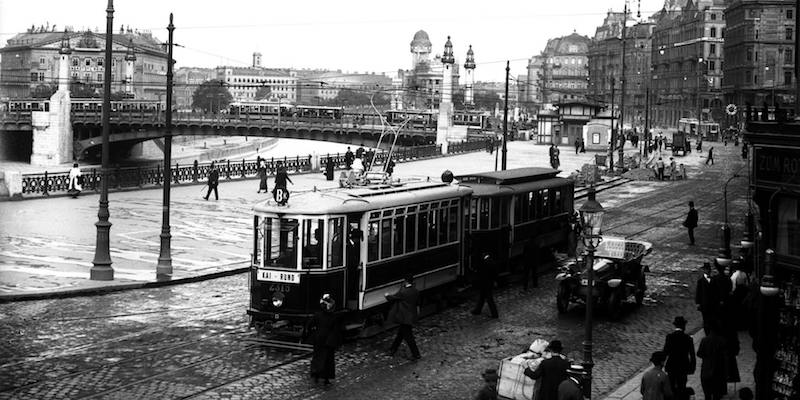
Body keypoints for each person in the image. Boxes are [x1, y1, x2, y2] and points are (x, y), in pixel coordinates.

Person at [307, 294, 342, 385]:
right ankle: (325, 378)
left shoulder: (317, 315)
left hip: (319, 339)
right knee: (327, 360)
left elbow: (309, 326)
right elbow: (337, 330)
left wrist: (313, 335)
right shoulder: (334, 317)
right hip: (328, 341)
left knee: (318, 358)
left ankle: (316, 375)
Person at [386, 274, 421, 360]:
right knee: (401, 334)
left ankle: (416, 354)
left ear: (405, 281)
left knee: (408, 336)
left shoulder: (403, 292)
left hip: (404, 317)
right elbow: (417, 304)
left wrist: (386, 295)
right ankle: (392, 350)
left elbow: (393, 298)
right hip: (411, 316)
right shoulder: (416, 291)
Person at [663, 316, 696, 400]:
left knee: (671, 386)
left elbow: (665, 352)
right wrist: (692, 368)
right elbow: (692, 355)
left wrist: (662, 364)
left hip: (671, 366)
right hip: (683, 367)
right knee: (682, 387)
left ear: (675, 325)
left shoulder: (669, 337)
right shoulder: (688, 338)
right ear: (684, 326)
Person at [697, 321, 728, 400]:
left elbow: (699, 354)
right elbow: (725, 356)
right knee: (717, 395)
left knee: (707, 395)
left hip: (706, 370)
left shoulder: (704, 340)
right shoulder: (722, 340)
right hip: (718, 371)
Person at [471, 252, 499, 318]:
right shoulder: (492, 262)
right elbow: (495, 274)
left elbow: (480, 273)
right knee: (482, 297)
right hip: (489, 283)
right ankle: (478, 310)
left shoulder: (484, 263)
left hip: (485, 283)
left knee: (488, 299)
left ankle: (494, 314)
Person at [695, 262, 716, 334]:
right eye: (706, 269)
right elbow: (698, 293)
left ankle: (712, 332)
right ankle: (707, 333)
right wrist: (698, 303)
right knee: (705, 320)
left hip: (713, 304)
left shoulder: (714, 280)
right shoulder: (700, 281)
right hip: (704, 304)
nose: (708, 270)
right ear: (704, 270)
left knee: (712, 319)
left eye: (709, 269)